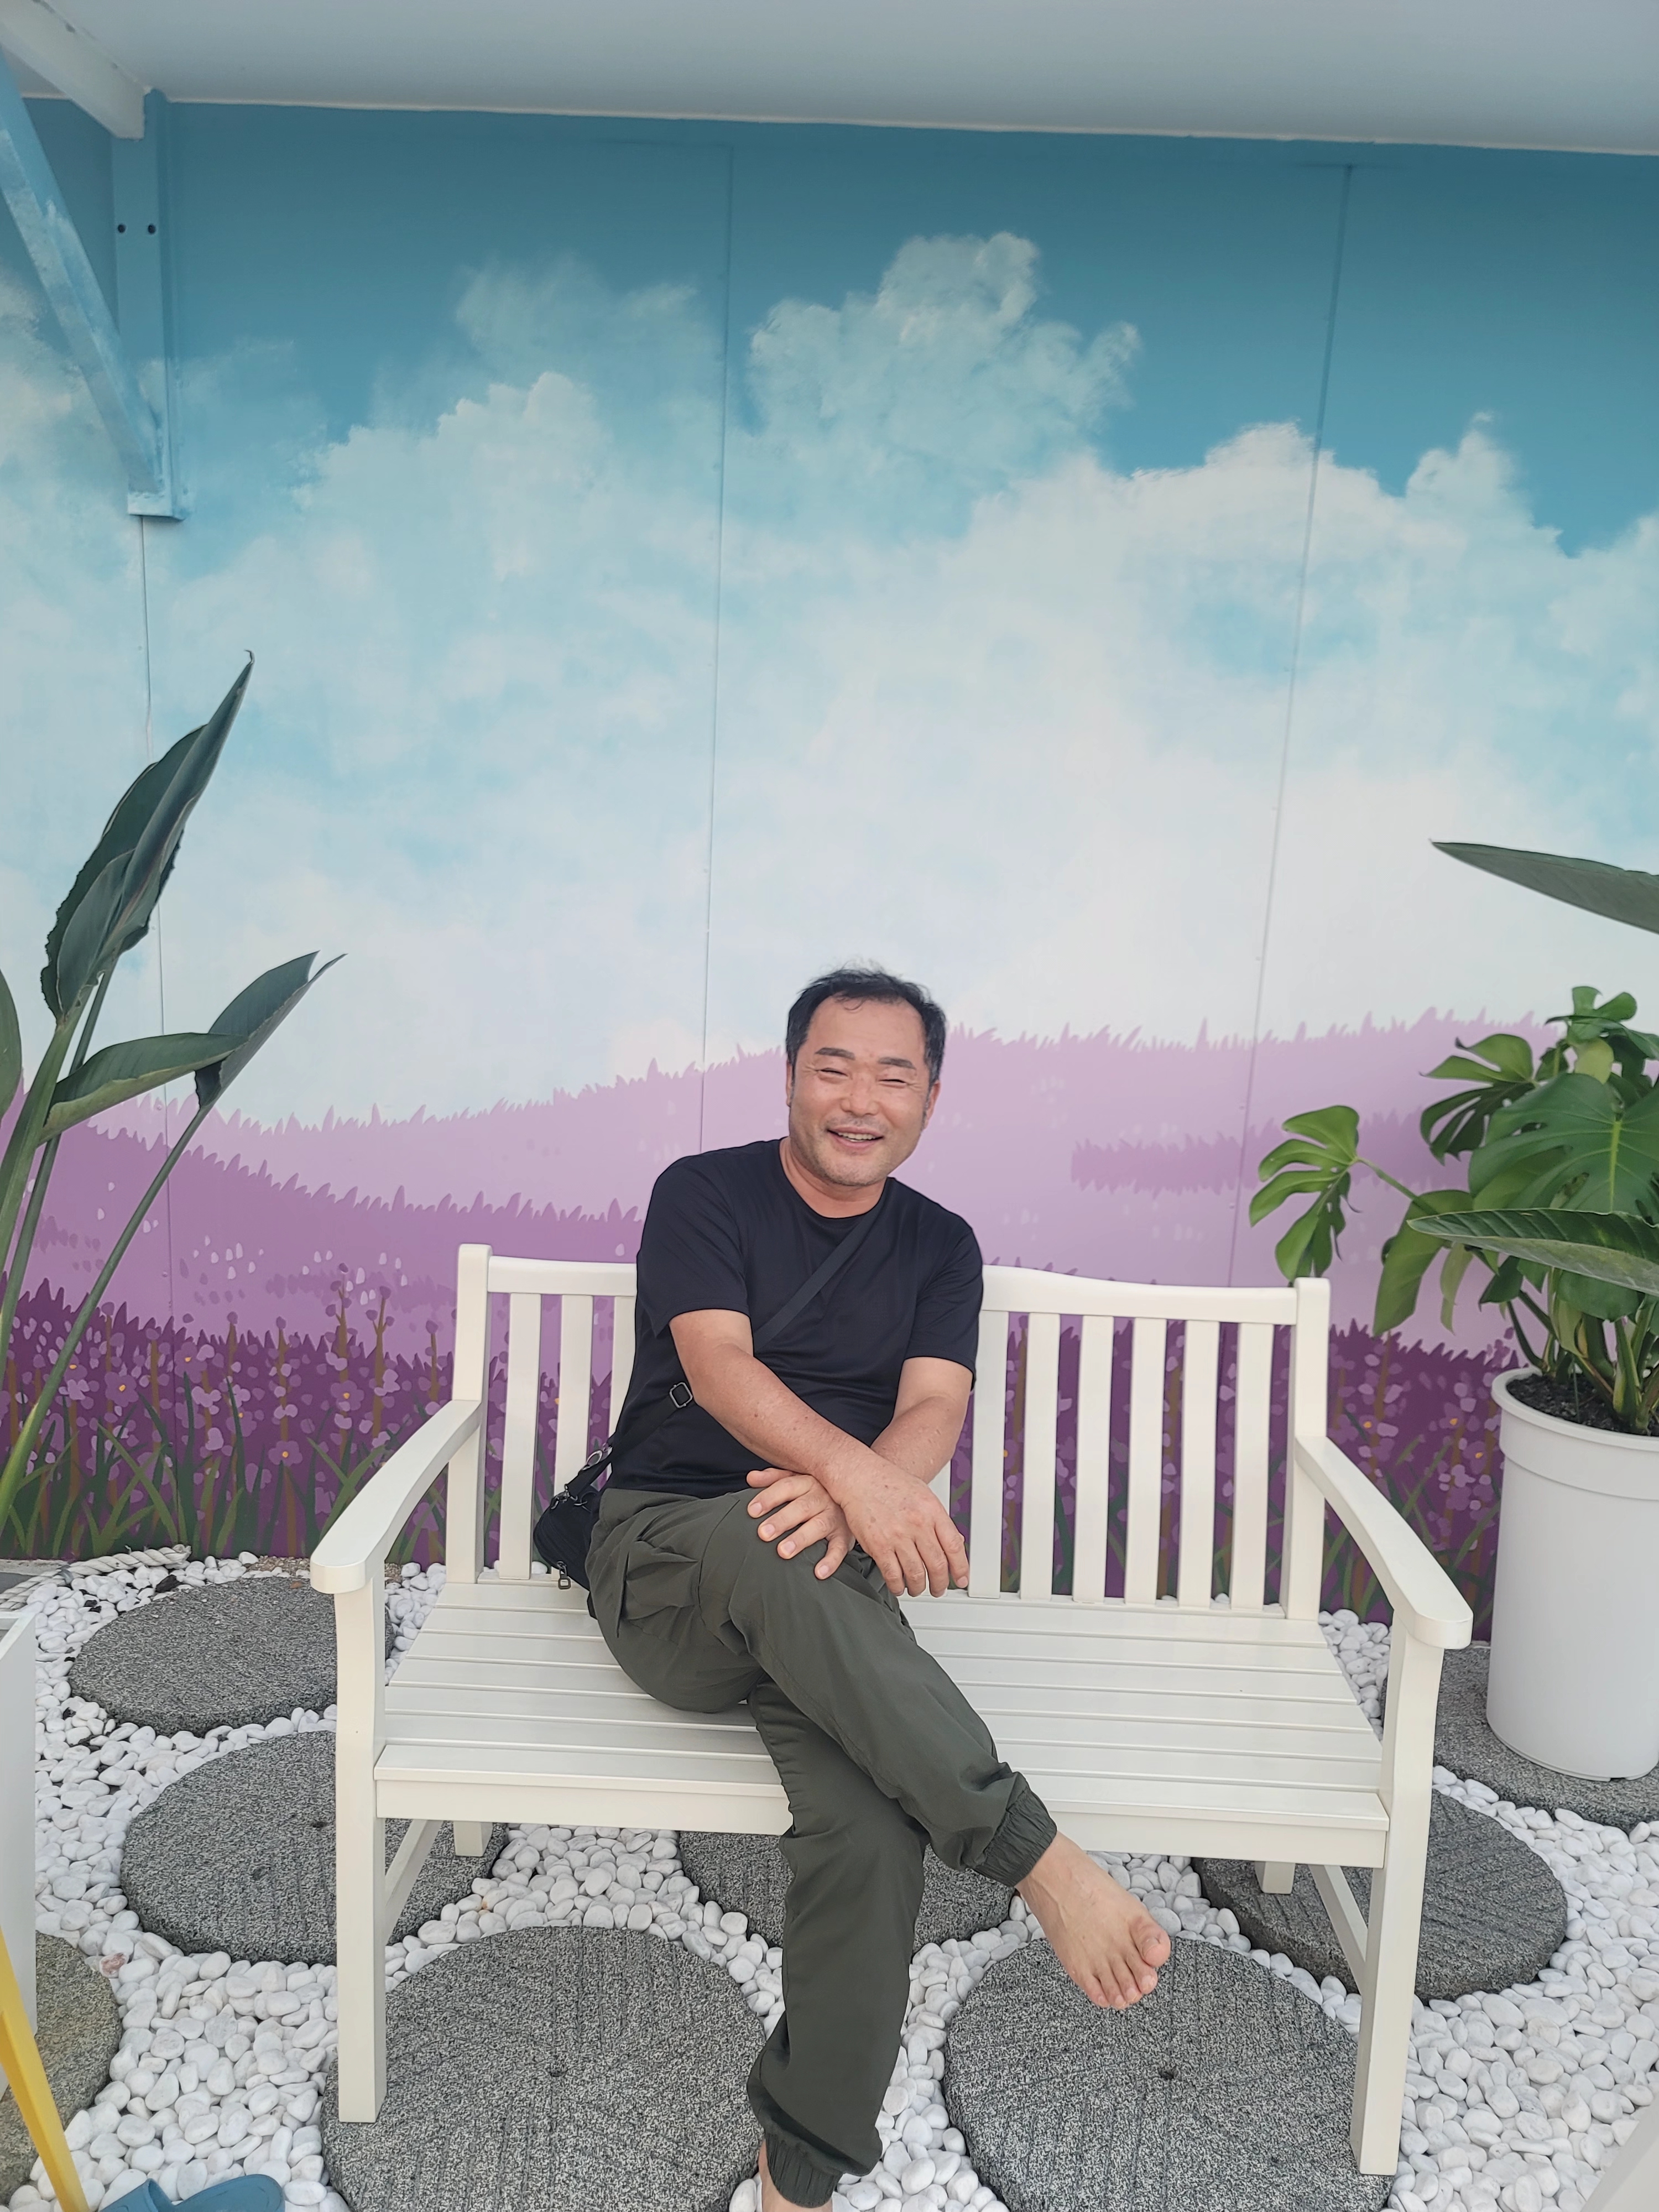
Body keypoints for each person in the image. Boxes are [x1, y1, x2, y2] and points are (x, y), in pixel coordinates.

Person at [585, 967, 1170, 2212]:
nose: (861, 1099)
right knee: (766, 1538)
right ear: (792, 1077)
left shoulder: (940, 1244)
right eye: (834, 1068)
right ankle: (1037, 1859)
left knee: (869, 1826)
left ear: (930, 1097)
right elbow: (717, 1365)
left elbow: (934, 1406)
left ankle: (801, 2168)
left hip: (822, 1586)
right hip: (671, 1559)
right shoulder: (704, 1193)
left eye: (892, 1075)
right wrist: (852, 1480)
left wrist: (857, 1493)